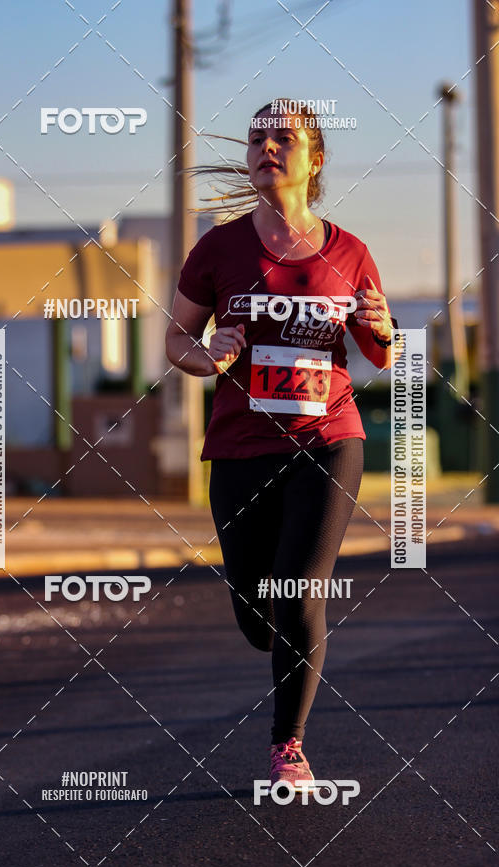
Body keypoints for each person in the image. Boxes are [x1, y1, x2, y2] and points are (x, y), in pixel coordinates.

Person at [165, 99, 397, 793]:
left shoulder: (350, 251)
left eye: (284, 138)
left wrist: (382, 327)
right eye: (257, 138)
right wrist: (208, 356)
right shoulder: (219, 248)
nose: (268, 146)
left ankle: (287, 746)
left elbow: (380, 352)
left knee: (299, 592)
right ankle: (276, 638)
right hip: (240, 448)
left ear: (314, 159)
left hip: (328, 439)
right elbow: (176, 338)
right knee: (258, 616)